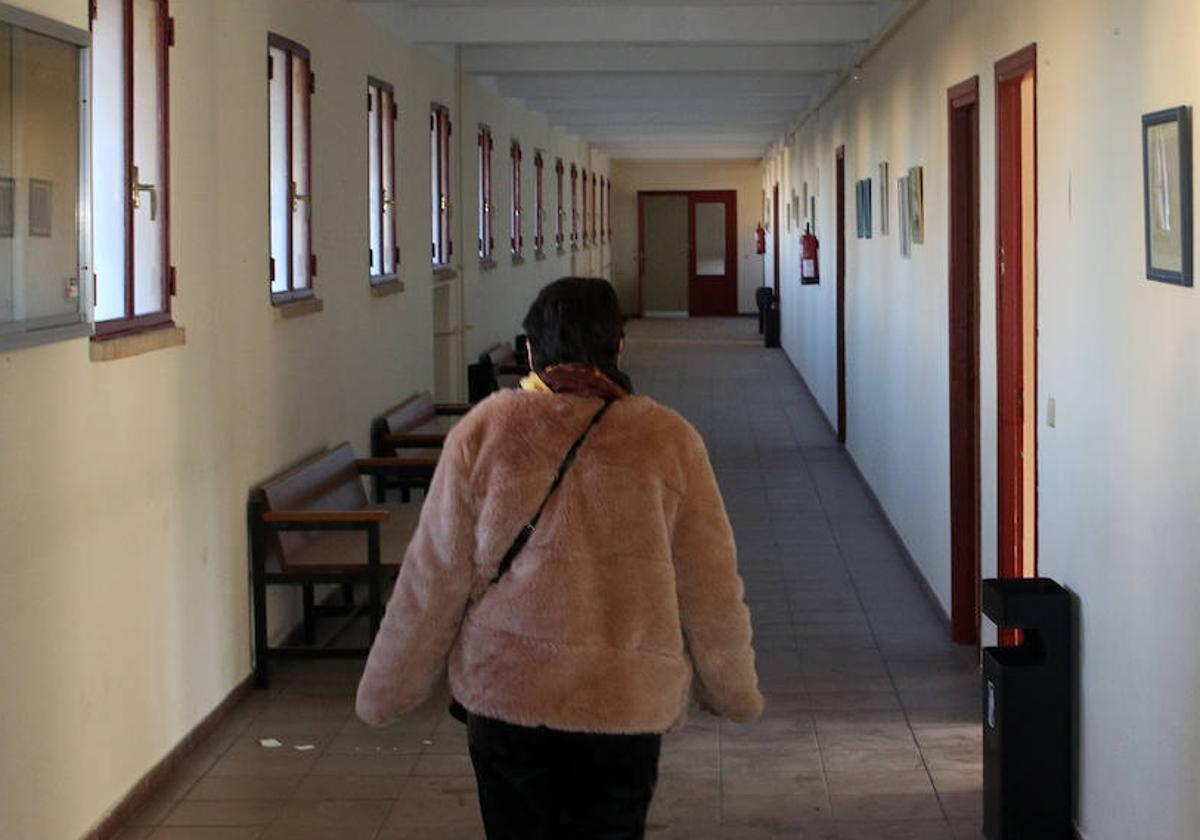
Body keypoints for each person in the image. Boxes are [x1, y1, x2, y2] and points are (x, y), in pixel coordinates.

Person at [356, 276, 762, 839]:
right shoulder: (670, 440)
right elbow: (709, 583)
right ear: (618, 347)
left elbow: (433, 577)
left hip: (508, 693)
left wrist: (389, 688)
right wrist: (732, 688)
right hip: (624, 700)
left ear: (530, 349)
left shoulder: (484, 432)